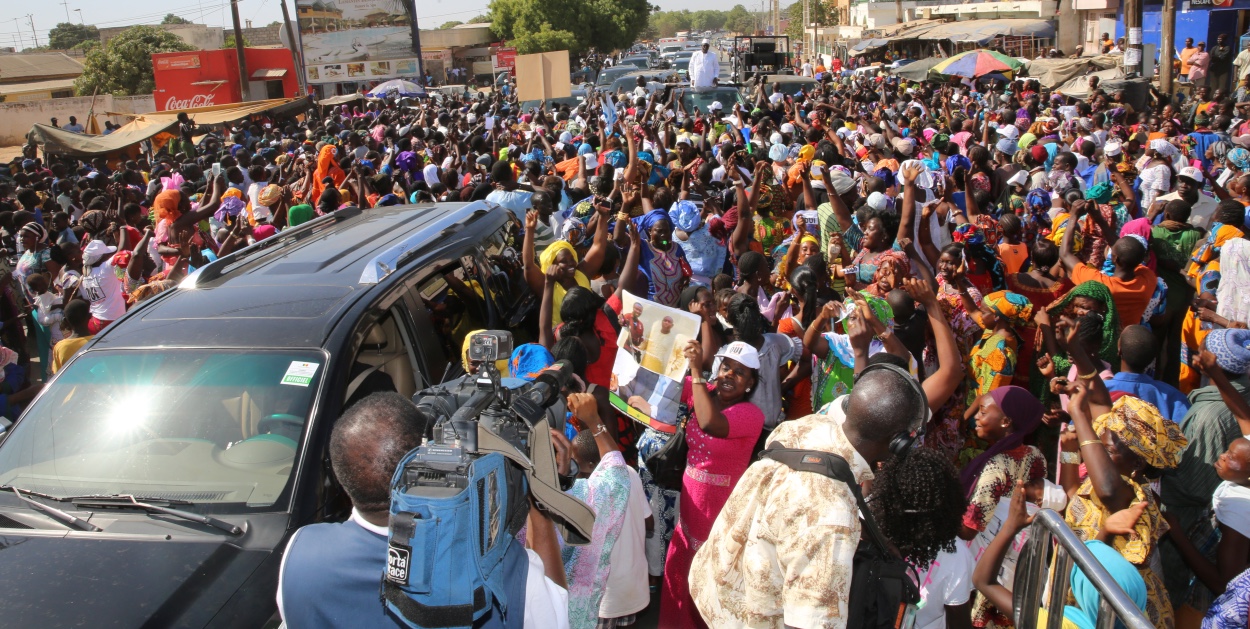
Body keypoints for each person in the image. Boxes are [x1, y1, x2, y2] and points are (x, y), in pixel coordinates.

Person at [277, 393, 571, 629]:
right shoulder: (503, 569)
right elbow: (559, 616)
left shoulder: (299, 557)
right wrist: (539, 509)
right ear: (432, 462)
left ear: (341, 482)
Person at [689, 348, 928, 628]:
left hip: (715, 591)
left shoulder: (807, 427)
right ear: (898, 442)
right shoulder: (832, 520)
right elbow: (809, 622)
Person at [660, 340, 765, 628]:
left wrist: (697, 370)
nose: (729, 374)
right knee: (680, 577)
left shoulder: (751, 416)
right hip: (690, 507)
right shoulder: (702, 392)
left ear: (750, 383)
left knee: (704, 585)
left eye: (739, 372)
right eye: (726, 367)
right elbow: (664, 378)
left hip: (718, 515)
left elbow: (709, 422)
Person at [49, 299, 92, 375]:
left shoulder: (60, 347)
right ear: (90, 316)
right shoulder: (99, 341)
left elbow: (57, 374)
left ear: (65, 321)